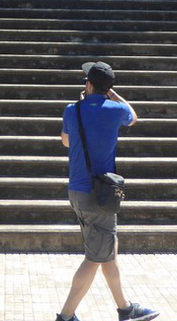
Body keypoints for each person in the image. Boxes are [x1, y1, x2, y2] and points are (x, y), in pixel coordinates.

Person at [56, 60, 159, 321]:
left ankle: (125, 309)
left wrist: (84, 105)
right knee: (95, 257)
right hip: (100, 195)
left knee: (107, 251)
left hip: (78, 191)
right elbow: (134, 117)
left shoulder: (72, 110)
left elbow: (66, 141)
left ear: (88, 85)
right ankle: (66, 316)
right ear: (108, 88)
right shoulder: (115, 110)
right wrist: (111, 94)